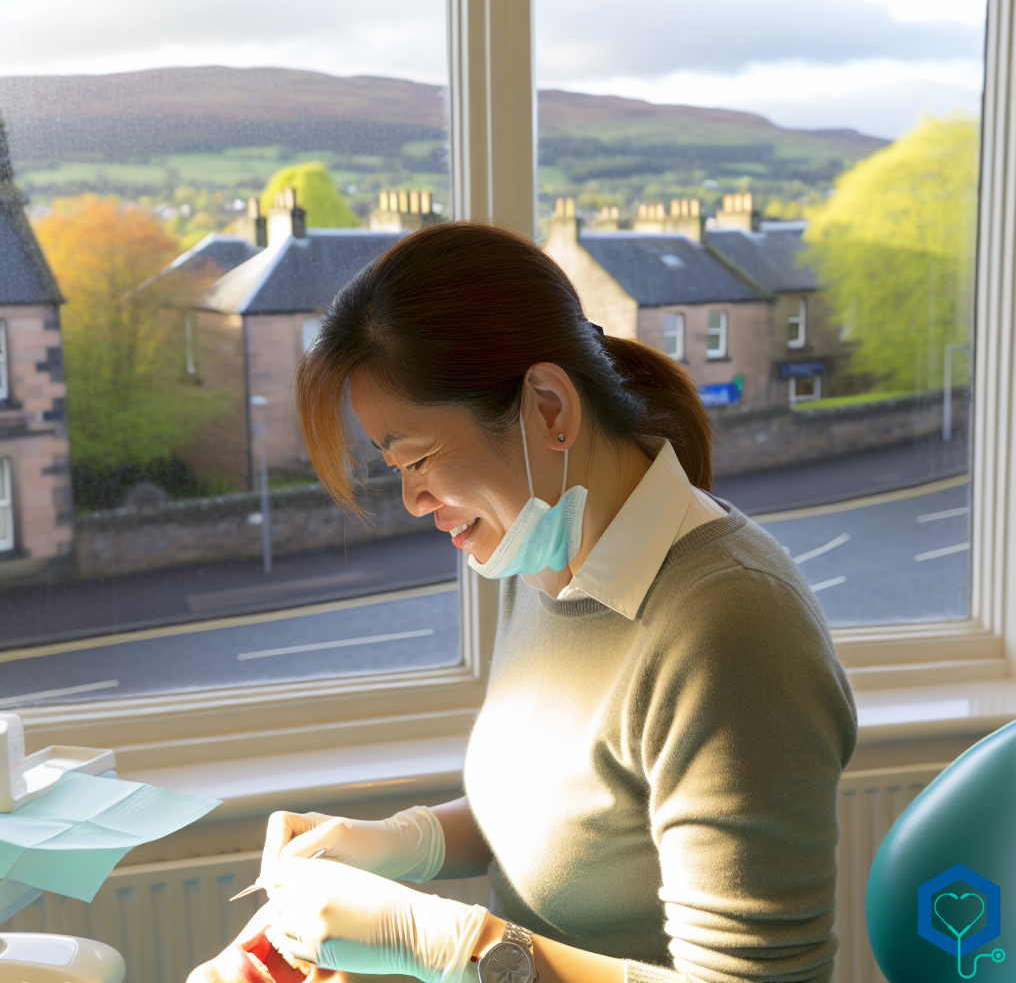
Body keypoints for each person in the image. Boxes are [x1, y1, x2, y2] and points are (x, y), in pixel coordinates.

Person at [189, 221, 857, 983]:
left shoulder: (734, 630)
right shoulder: (547, 558)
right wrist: (400, 842)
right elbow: (584, 825)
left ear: (547, 408)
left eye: (419, 458)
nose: (411, 500)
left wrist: (461, 951)